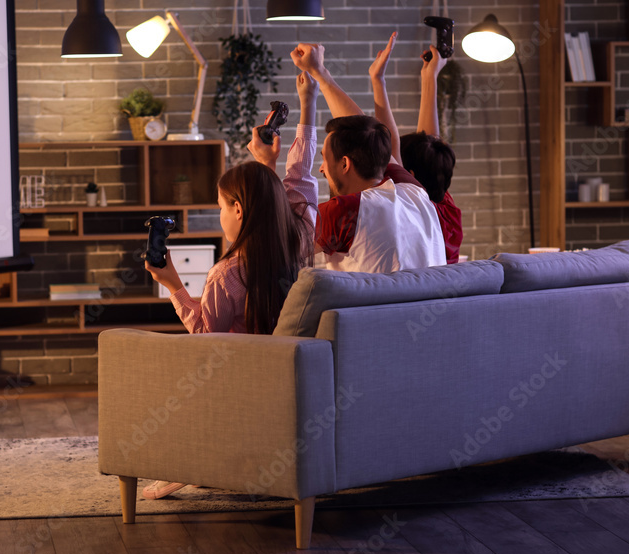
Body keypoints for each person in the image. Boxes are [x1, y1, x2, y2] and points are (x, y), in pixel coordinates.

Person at [140, 73, 319, 499]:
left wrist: (173, 286)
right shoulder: (300, 243)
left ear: (237, 209)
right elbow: (299, 189)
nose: (220, 216)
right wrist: (300, 114)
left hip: (237, 387)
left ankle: (192, 459)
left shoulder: (228, 272)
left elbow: (205, 335)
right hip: (285, 386)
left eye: (222, 208)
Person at [288, 41, 446, 272]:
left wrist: (267, 163)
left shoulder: (343, 210)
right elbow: (368, 136)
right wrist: (320, 73)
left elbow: (278, 250)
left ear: (344, 164)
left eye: (324, 159)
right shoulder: (414, 194)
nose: (321, 169)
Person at [370, 36, 463, 264]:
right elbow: (429, 142)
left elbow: (389, 140)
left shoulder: (414, 208)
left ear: (410, 175)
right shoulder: (446, 207)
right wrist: (429, 77)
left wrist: (378, 80)